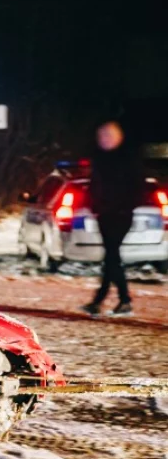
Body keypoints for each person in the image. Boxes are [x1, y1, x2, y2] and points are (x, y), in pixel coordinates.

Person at [81, 120, 145, 317]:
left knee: (112, 257)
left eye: (108, 136)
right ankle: (104, 301)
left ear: (119, 138)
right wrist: (94, 206)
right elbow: (95, 185)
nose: (104, 140)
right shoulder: (100, 159)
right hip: (105, 214)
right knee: (111, 258)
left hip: (120, 215)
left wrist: (122, 208)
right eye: (101, 136)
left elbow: (137, 188)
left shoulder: (127, 159)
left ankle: (119, 300)